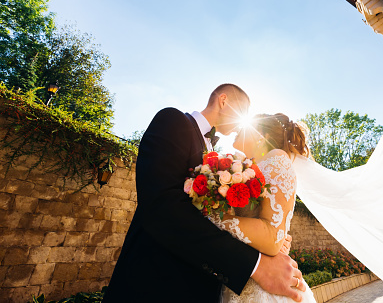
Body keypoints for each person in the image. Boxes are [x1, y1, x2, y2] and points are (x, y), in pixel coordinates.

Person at [103, 84, 304, 303]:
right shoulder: (173, 121)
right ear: (223, 101)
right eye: (242, 112)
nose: (241, 122)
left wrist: (272, 236)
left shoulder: (220, 158)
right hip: (155, 285)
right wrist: (254, 265)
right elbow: (162, 208)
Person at [208, 113, 317, 303]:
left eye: (246, 126)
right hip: (239, 276)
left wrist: (213, 219)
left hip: (265, 288)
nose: (238, 128)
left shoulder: (276, 159)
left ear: (262, 136)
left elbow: (273, 237)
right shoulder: (243, 165)